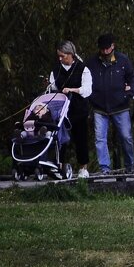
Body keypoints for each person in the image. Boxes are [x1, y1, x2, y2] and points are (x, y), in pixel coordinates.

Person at [86, 33, 134, 174]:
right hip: (99, 108)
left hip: (120, 106)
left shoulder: (123, 60)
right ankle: (105, 168)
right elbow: (85, 82)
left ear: (113, 46)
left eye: (107, 48)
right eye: (102, 49)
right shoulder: (91, 63)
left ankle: (130, 165)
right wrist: (91, 97)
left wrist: (129, 94)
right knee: (100, 139)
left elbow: (133, 78)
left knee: (126, 137)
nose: (105, 51)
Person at [48, 40, 93, 178]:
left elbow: (87, 90)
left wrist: (72, 90)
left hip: (79, 109)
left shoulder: (83, 69)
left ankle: (83, 168)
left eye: (63, 56)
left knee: (81, 139)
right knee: (60, 139)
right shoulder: (55, 70)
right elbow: (52, 88)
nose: (61, 59)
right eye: (59, 56)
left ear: (71, 54)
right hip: (62, 111)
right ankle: (59, 166)